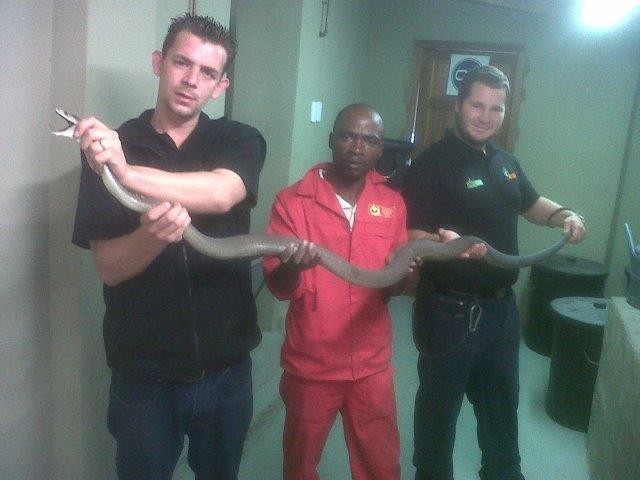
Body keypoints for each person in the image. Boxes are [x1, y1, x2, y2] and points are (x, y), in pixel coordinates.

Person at [71, 14, 266, 480]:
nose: (190, 80)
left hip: (226, 371)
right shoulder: (109, 150)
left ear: (220, 86)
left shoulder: (239, 140)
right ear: (159, 63)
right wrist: (150, 237)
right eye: (182, 63)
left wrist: (125, 173)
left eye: (206, 72)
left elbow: (221, 192)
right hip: (144, 378)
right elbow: (110, 268)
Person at [402, 65, 586, 480]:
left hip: (502, 314)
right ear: (458, 105)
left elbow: (531, 203)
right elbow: (413, 235)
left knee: (502, 411)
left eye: (496, 109)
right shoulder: (431, 163)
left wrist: (564, 215)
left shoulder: (506, 163)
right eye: (477, 105)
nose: (485, 117)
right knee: (438, 415)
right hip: (449, 312)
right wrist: (447, 242)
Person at [263, 104, 409, 480]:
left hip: (371, 365)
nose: (357, 148)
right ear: (331, 140)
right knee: (300, 466)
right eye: (347, 136)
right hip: (312, 364)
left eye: (370, 140)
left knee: (381, 466)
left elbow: (396, 284)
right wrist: (293, 265)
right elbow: (278, 287)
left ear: (381, 149)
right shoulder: (292, 202)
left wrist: (406, 274)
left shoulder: (391, 203)